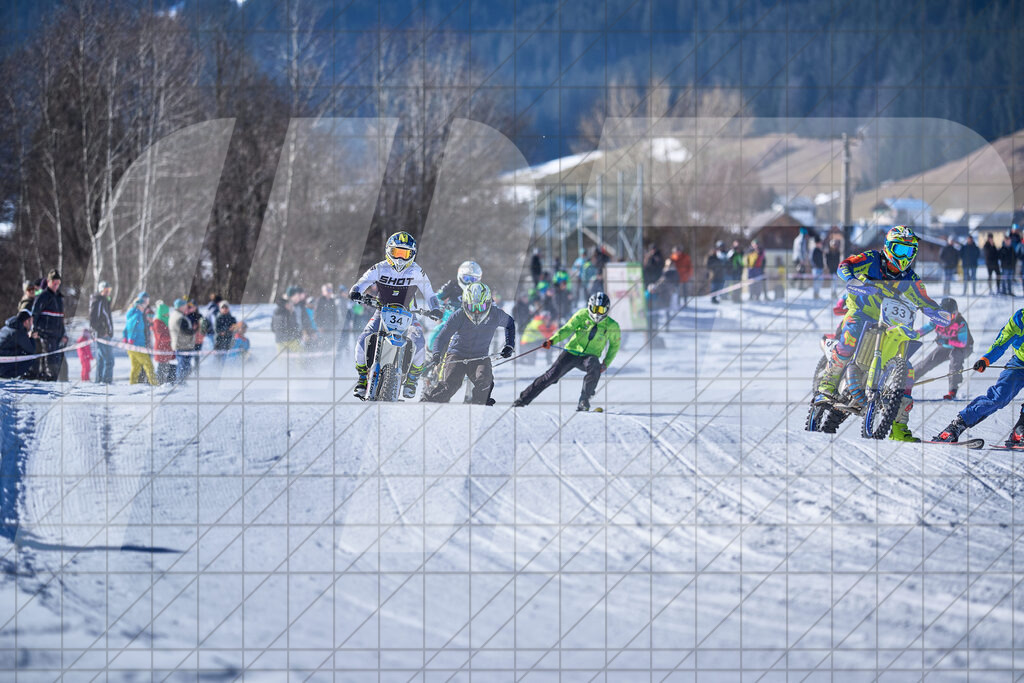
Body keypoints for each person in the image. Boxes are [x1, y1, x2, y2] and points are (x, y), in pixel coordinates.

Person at [815, 226, 949, 442]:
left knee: (907, 371)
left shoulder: (911, 278)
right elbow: (845, 265)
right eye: (900, 250)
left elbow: (924, 299)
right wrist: (852, 279)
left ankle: (898, 428)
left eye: (909, 252)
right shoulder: (872, 259)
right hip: (861, 311)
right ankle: (826, 387)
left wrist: (938, 313)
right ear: (888, 247)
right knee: (848, 341)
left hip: (889, 323)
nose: (904, 257)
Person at [349, 231, 442, 399]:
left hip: (409, 314)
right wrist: (356, 292)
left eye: (405, 254)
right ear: (388, 251)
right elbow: (361, 283)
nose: (400, 258)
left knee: (420, 343)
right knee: (363, 340)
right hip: (381, 311)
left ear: (412, 255)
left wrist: (435, 308)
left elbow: (430, 294)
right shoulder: (379, 268)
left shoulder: (416, 271)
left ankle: (412, 380)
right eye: (396, 252)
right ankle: (362, 379)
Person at [513, 291, 621, 412]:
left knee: (594, 366)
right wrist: (552, 341)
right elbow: (567, 329)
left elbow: (614, 345)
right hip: (571, 352)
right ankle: (522, 400)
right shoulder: (582, 315)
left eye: (601, 310)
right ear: (590, 306)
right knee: (551, 376)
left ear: (606, 310)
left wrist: (606, 362)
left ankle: (584, 401)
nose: (597, 313)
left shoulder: (612, 326)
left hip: (589, 356)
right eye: (595, 308)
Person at [935, 306, 1024, 446]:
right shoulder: (1020, 319)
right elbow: (1002, 342)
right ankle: (957, 426)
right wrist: (986, 359)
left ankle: (1020, 430)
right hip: (1019, 363)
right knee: (999, 397)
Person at [422, 283, 515, 405]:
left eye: (480, 307)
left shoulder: (495, 314)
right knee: (450, 386)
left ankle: (478, 405)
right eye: (472, 307)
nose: (476, 311)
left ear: (487, 304)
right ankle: (427, 404)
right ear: (465, 304)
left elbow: (510, 324)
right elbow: (442, 337)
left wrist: (509, 345)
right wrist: (437, 353)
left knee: (485, 382)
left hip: (479, 357)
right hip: (457, 355)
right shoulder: (459, 315)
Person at [913, 297, 973, 400]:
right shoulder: (938, 321)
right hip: (945, 347)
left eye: (953, 315)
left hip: (963, 348)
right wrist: (914, 335)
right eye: (946, 316)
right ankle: (905, 383)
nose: (949, 319)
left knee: (955, 357)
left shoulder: (960, 323)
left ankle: (952, 390)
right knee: (928, 362)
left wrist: (946, 341)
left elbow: (962, 343)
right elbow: (925, 329)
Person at [30, 270, 67, 381]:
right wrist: (33, 329)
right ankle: (47, 381)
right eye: (54, 283)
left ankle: (51, 380)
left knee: (56, 360)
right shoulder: (43, 296)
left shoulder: (59, 297)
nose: (56, 286)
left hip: (57, 334)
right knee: (49, 361)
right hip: (45, 333)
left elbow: (61, 318)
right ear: (48, 282)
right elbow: (34, 313)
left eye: (58, 283)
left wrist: (63, 333)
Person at [124, 292, 157, 385]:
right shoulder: (138, 314)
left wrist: (125, 338)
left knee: (136, 367)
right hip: (137, 345)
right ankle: (154, 385)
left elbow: (126, 328)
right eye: (142, 305)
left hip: (132, 346)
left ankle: (132, 384)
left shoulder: (132, 313)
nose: (144, 307)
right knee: (148, 365)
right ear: (138, 306)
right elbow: (133, 327)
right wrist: (131, 339)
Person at [89, 281, 115, 383]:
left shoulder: (104, 301)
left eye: (109, 290)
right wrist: (101, 331)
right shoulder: (99, 300)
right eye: (106, 290)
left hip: (105, 334)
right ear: (101, 290)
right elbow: (93, 319)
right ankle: (106, 383)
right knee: (109, 361)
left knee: (101, 360)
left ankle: (99, 381)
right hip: (102, 335)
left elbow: (107, 317)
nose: (108, 292)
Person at [0, 311, 37, 379]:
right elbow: (31, 350)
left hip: (3, 359)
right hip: (3, 362)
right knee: (29, 359)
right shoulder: (19, 332)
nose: (32, 324)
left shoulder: (6, 328)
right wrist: (32, 338)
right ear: (26, 322)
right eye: (31, 321)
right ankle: (6, 376)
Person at [168, 298, 196, 383]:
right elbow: (185, 331)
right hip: (183, 345)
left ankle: (181, 382)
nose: (186, 307)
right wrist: (194, 330)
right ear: (180, 307)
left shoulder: (174, 315)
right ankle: (180, 383)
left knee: (183, 365)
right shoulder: (179, 317)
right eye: (184, 306)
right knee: (183, 366)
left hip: (180, 344)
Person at [152, 302, 175, 384]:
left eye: (168, 313)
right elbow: (161, 337)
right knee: (161, 368)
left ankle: (167, 384)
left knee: (168, 368)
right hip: (161, 349)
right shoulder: (157, 323)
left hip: (167, 349)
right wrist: (173, 337)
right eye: (165, 314)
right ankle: (159, 384)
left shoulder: (166, 321)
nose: (167, 315)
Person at [314, 284, 338, 349]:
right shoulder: (320, 300)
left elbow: (335, 314)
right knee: (322, 344)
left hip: (331, 327)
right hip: (323, 327)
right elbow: (316, 314)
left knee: (331, 344)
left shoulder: (332, 301)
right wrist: (319, 326)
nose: (329, 292)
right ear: (323, 291)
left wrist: (335, 324)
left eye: (330, 290)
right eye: (328, 290)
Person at [825, 233, 844, 298]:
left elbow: (839, 260)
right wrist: (827, 267)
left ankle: (834, 292)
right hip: (830, 269)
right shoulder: (828, 253)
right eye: (833, 244)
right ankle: (832, 292)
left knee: (835, 281)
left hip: (836, 269)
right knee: (832, 282)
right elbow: (827, 260)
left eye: (835, 244)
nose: (834, 246)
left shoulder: (838, 252)